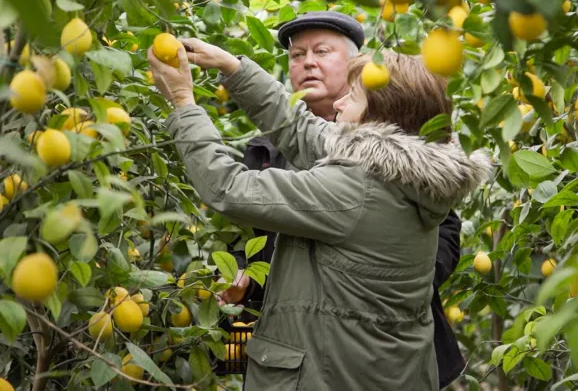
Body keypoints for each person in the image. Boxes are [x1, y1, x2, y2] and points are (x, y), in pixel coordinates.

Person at [147, 37, 491, 390]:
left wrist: (183, 103)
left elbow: (227, 187)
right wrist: (232, 67)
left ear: (380, 120)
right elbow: (300, 129)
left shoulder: (357, 190)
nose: (340, 102)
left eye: (352, 97)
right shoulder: (404, 175)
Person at [223, 11, 467, 388]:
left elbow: (440, 232)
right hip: (297, 349)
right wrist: (245, 273)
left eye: (322, 52)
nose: (308, 63)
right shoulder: (265, 150)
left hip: (379, 347)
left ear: (358, 65)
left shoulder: (404, 147)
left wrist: (379, 285)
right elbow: (262, 238)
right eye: (297, 55)